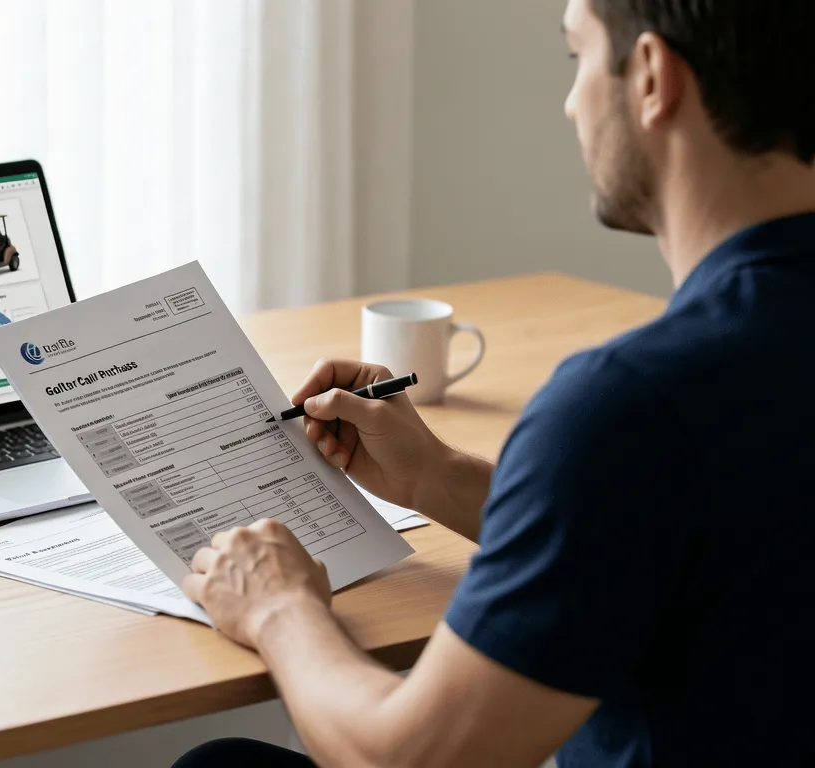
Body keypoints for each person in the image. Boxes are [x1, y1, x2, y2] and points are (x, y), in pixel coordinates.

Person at [177, 0, 815, 766]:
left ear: (651, 77)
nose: (571, 103)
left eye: (577, 56)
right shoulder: (697, 402)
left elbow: (405, 757)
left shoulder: (637, 403)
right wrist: (439, 476)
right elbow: (688, 522)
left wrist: (279, 609)